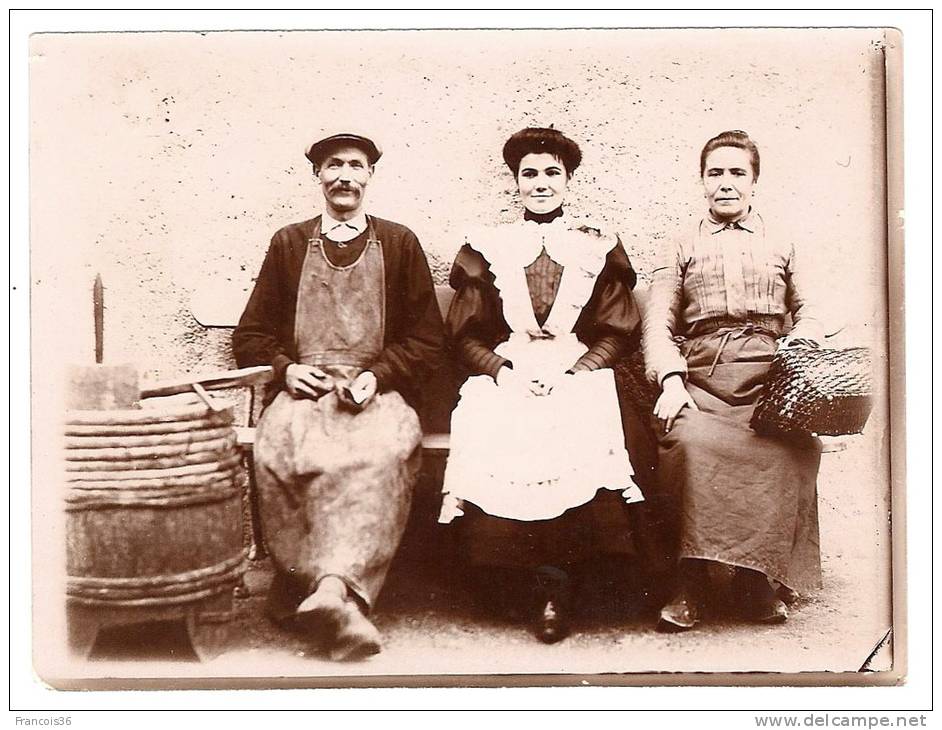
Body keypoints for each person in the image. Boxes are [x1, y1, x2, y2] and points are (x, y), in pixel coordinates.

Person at [232, 131, 444, 660]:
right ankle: (320, 591)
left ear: (370, 176)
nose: (345, 175)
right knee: (283, 449)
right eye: (333, 166)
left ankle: (334, 591)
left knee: (380, 453)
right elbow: (251, 335)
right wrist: (286, 369)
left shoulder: (398, 242)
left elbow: (427, 339)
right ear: (318, 177)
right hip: (305, 392)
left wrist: (382, 373)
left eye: (356, 165)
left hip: (375, 391)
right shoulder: (289, 243)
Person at [439, 127, 643, 643]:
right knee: (494, 415)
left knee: (583, 416)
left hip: (578, 365)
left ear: (569, 182)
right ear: (516, 184)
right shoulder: (488, 245)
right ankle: (524, 584)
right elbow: (464, 335)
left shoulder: (596, 245)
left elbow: (618, 329)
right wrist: (502, 373)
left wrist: (580, 370)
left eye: (553, 173)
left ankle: (569, 584)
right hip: (509, 365)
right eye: (530, 174)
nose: (541, 183)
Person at [641, 130, 825, 631]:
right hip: (702, 372)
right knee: (688, 441)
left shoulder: (782, 242)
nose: (726, 183)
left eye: (737, 172)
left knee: (793, 447)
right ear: (702, 181)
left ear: (754, 181)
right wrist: (672, 381)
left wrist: (798, 348)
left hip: (772, 375)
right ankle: (691, 580)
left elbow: (812, 310)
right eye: (715, 172)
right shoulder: (679, 243)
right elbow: (658, 321)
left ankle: (756, 579)